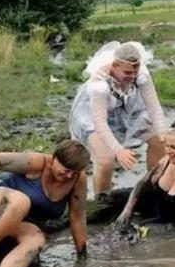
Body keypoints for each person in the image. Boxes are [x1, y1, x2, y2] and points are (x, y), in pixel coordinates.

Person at [69, 41, 167, 197]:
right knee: (106, 160)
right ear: (114, 66)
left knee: (160, 143)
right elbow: (100, 122)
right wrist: (118, 150)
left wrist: (163, 133)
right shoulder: (99, 85)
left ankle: (152, 188)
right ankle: (102, 200)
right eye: (127, 73)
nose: (132, 77)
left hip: (125, 106)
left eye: (134, 72)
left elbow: (153, 105)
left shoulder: (140, 74)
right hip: (92, 114)